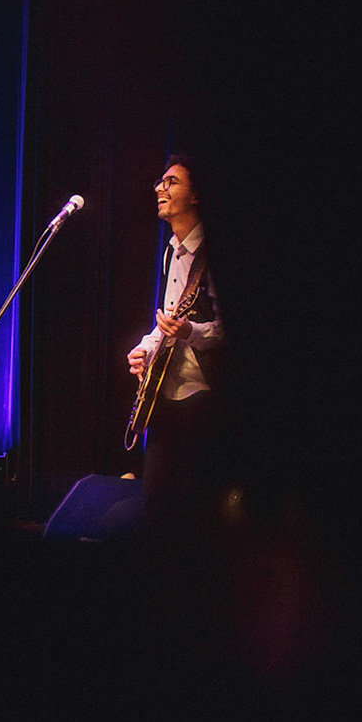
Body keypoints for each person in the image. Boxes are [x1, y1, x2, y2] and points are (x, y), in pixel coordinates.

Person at [125, 155, 224, 523]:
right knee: (156, 500)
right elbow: (167, 320)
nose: (160, 189)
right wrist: (144, 348)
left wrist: (189, 331)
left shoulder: (211, 253)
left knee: (197, 505)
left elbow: (225, 329)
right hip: (164, 393)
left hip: (204, 394)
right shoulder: (172, 251)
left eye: (171, 182)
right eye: (160, 182)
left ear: (196, 196)